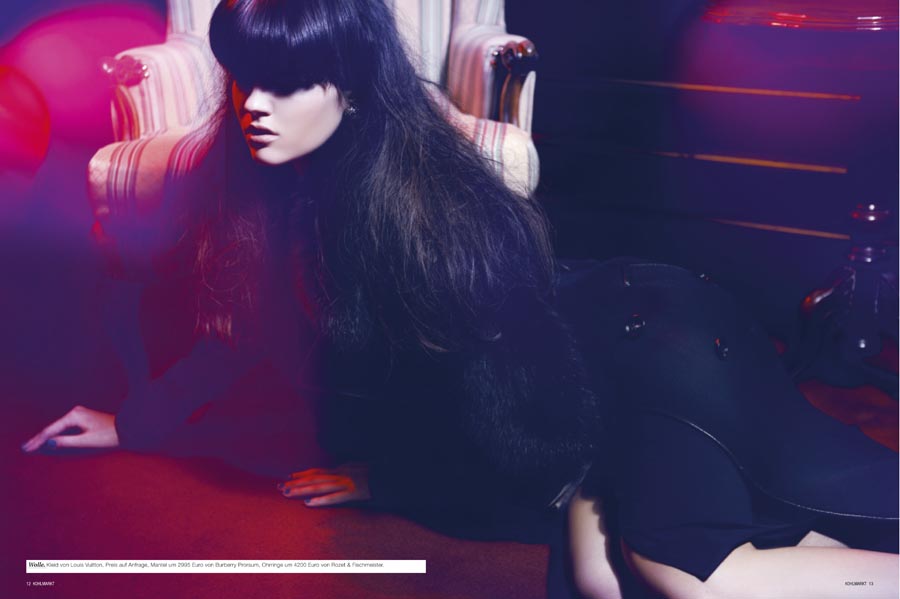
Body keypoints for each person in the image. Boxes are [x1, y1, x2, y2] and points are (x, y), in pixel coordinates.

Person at [22, 1, 898, 597]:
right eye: (245, 77)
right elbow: (245, 332)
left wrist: (397, 479)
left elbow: (514, 412)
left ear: (352, 87)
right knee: (602, 579)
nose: (255, 105)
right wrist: (133, 421)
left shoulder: (420, 213)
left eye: (289, 83)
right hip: (587, 361)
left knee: (681, 569)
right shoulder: (279, 185)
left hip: (639, 352)